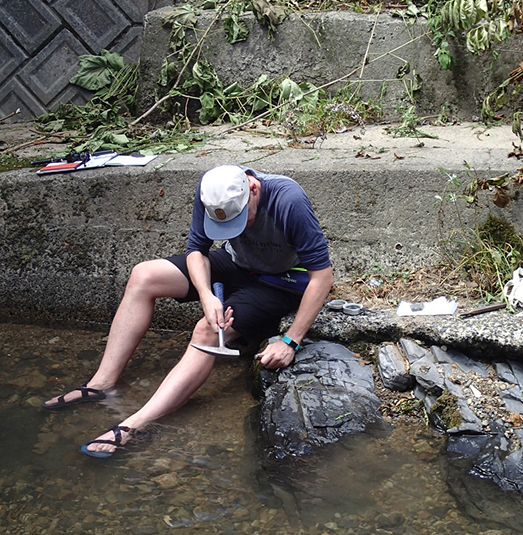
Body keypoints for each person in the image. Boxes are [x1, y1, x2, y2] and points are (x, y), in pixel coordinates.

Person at [42, 165, 334, 458]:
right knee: (143, 276)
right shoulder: (211, 190)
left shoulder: (288, 200)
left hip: (278, 283)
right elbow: (197, 249)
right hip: (236, 266)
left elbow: (322, 276)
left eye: (242, 219)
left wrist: (291, 341)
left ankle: (136, 423)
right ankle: (102, 383)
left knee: (206, 330)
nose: (241, 229)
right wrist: (206, 296)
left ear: (253, 190)